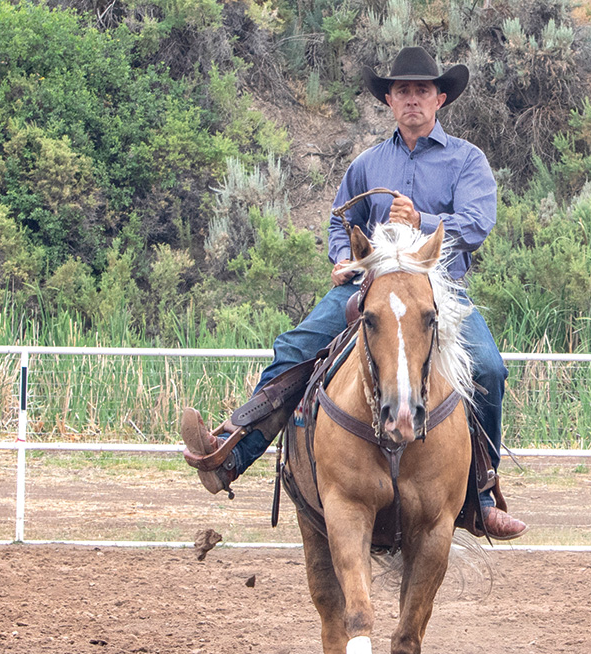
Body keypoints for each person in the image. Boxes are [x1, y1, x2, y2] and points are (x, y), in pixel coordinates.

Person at [181, 46, 526, 539]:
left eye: (422, 90)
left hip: (436, 292)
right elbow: (339, 220)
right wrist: (343, 257)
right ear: (389, 100)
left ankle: (482, 493)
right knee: (296, 347)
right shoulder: (368, 163)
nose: (412, 99)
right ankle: (230, 454)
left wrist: (422, 221)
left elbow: (475, 226)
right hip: (370, 286)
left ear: (440, 98)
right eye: (402, 91)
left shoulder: (467, 161)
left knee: (489, 367)